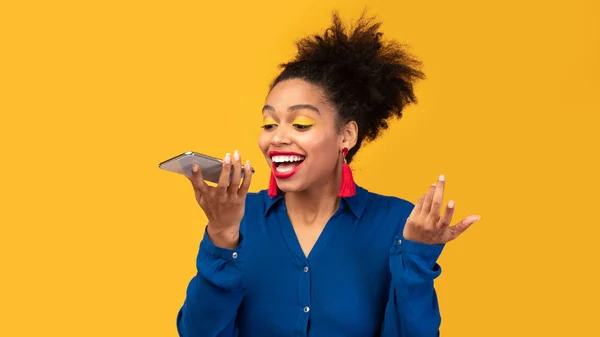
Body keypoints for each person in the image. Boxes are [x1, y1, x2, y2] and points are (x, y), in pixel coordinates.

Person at [175, 12, 480, 337]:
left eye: (301, 124)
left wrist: (416, 259)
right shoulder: (237, 219)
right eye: (269, 124)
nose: (276, 137)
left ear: (346, 136)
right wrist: (221, 238)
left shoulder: (399, 223)